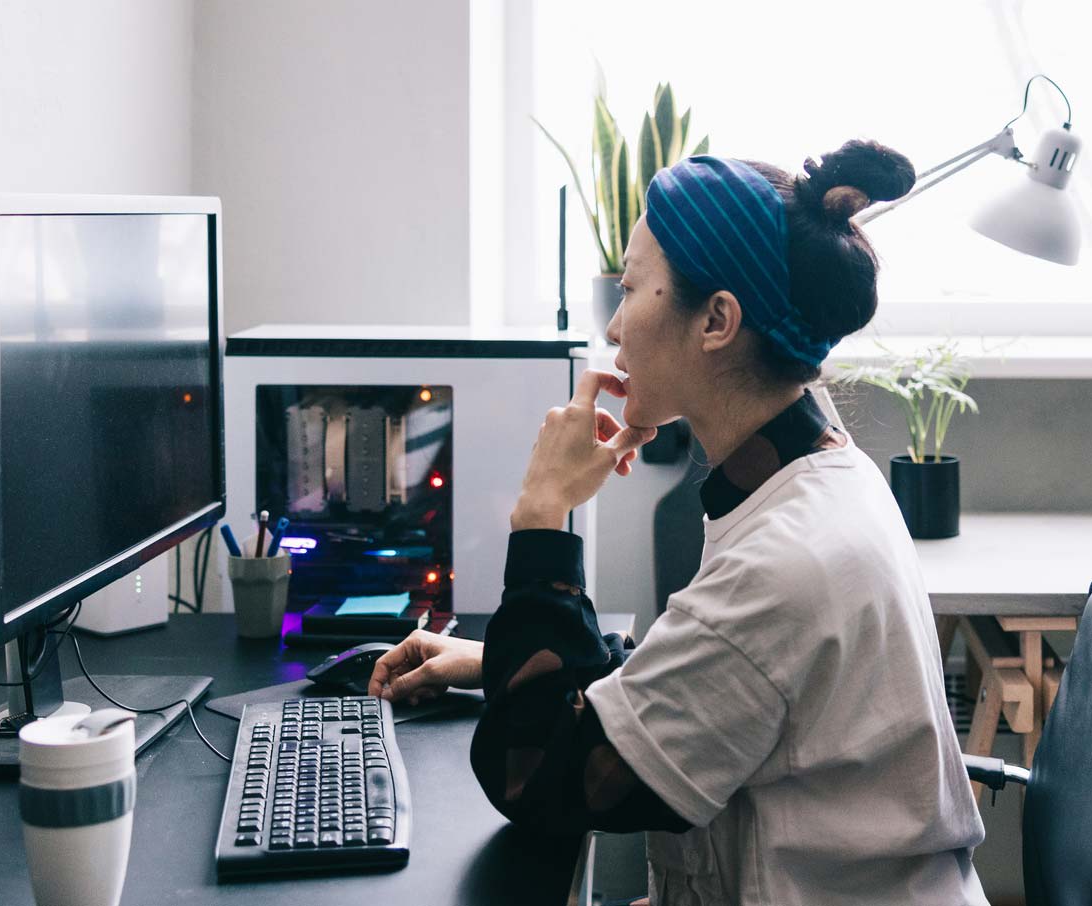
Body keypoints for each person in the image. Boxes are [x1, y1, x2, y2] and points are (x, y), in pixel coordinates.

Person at [367, 143, 988, 905]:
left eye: (630, 290)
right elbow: (723, 671)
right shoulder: (819, 473)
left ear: (717, 321)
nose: (616, 329)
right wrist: (493, 659)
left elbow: (534, 781)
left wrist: (541, 516)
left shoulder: (783, 563)